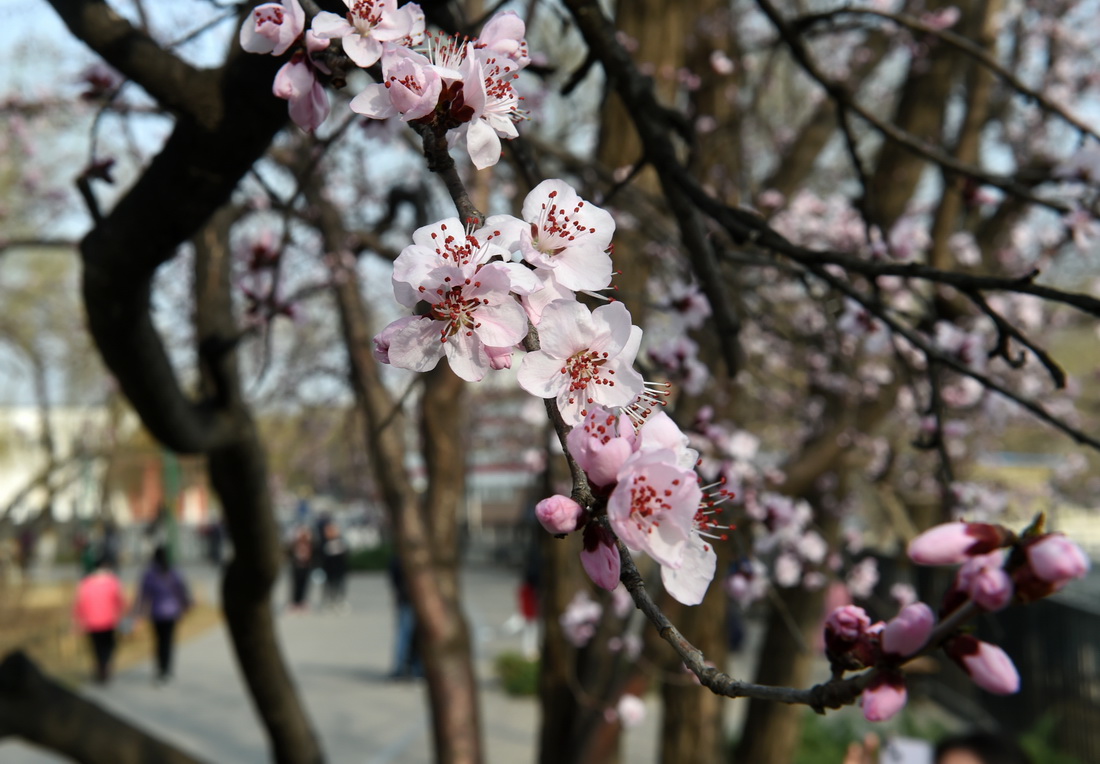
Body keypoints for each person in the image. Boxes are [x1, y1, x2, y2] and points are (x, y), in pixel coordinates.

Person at [134, 545, 192, 684]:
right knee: (168, 641)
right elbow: (182, 591)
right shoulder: (174, 572)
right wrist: (186, 605)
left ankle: (160, 669)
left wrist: (139, 611)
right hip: (172, 612)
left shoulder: (150, 574)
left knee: (159, 641)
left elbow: (143, 595)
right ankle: (167, 670)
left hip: (157, 612)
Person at [73, 557, 127, 683]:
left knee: (96, 647)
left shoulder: (86, 583)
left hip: (92, 622)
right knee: (108, 646)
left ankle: (101, 668)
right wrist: (122, 613)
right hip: (109, 621)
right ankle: (105, 666)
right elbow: (120, 600)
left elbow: (79, 603)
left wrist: (77, 620)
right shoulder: (112, 582)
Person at [387, 550, 421, 679]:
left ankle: (404, 668)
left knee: (407, 635)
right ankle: (406, 668)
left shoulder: (400, 554)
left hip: (408, 600)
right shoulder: (408, 555)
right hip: (410, 600)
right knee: (406, 634)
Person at [320, 519, 349, 610]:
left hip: (340, 569)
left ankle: (340, 601)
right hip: (329, 569)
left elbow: (346, 556)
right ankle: (329, 601)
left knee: (340, 585)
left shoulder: (341, 542)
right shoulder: (324, 543)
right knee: (329, 586)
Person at [287, 525, 314, 610]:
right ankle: (295, 602)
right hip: (296, 567)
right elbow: (289, 553)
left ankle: (302, 602)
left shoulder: (310, 544)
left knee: (305, 585)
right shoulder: (294, 544)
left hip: (306, 567)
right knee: (295, 586)